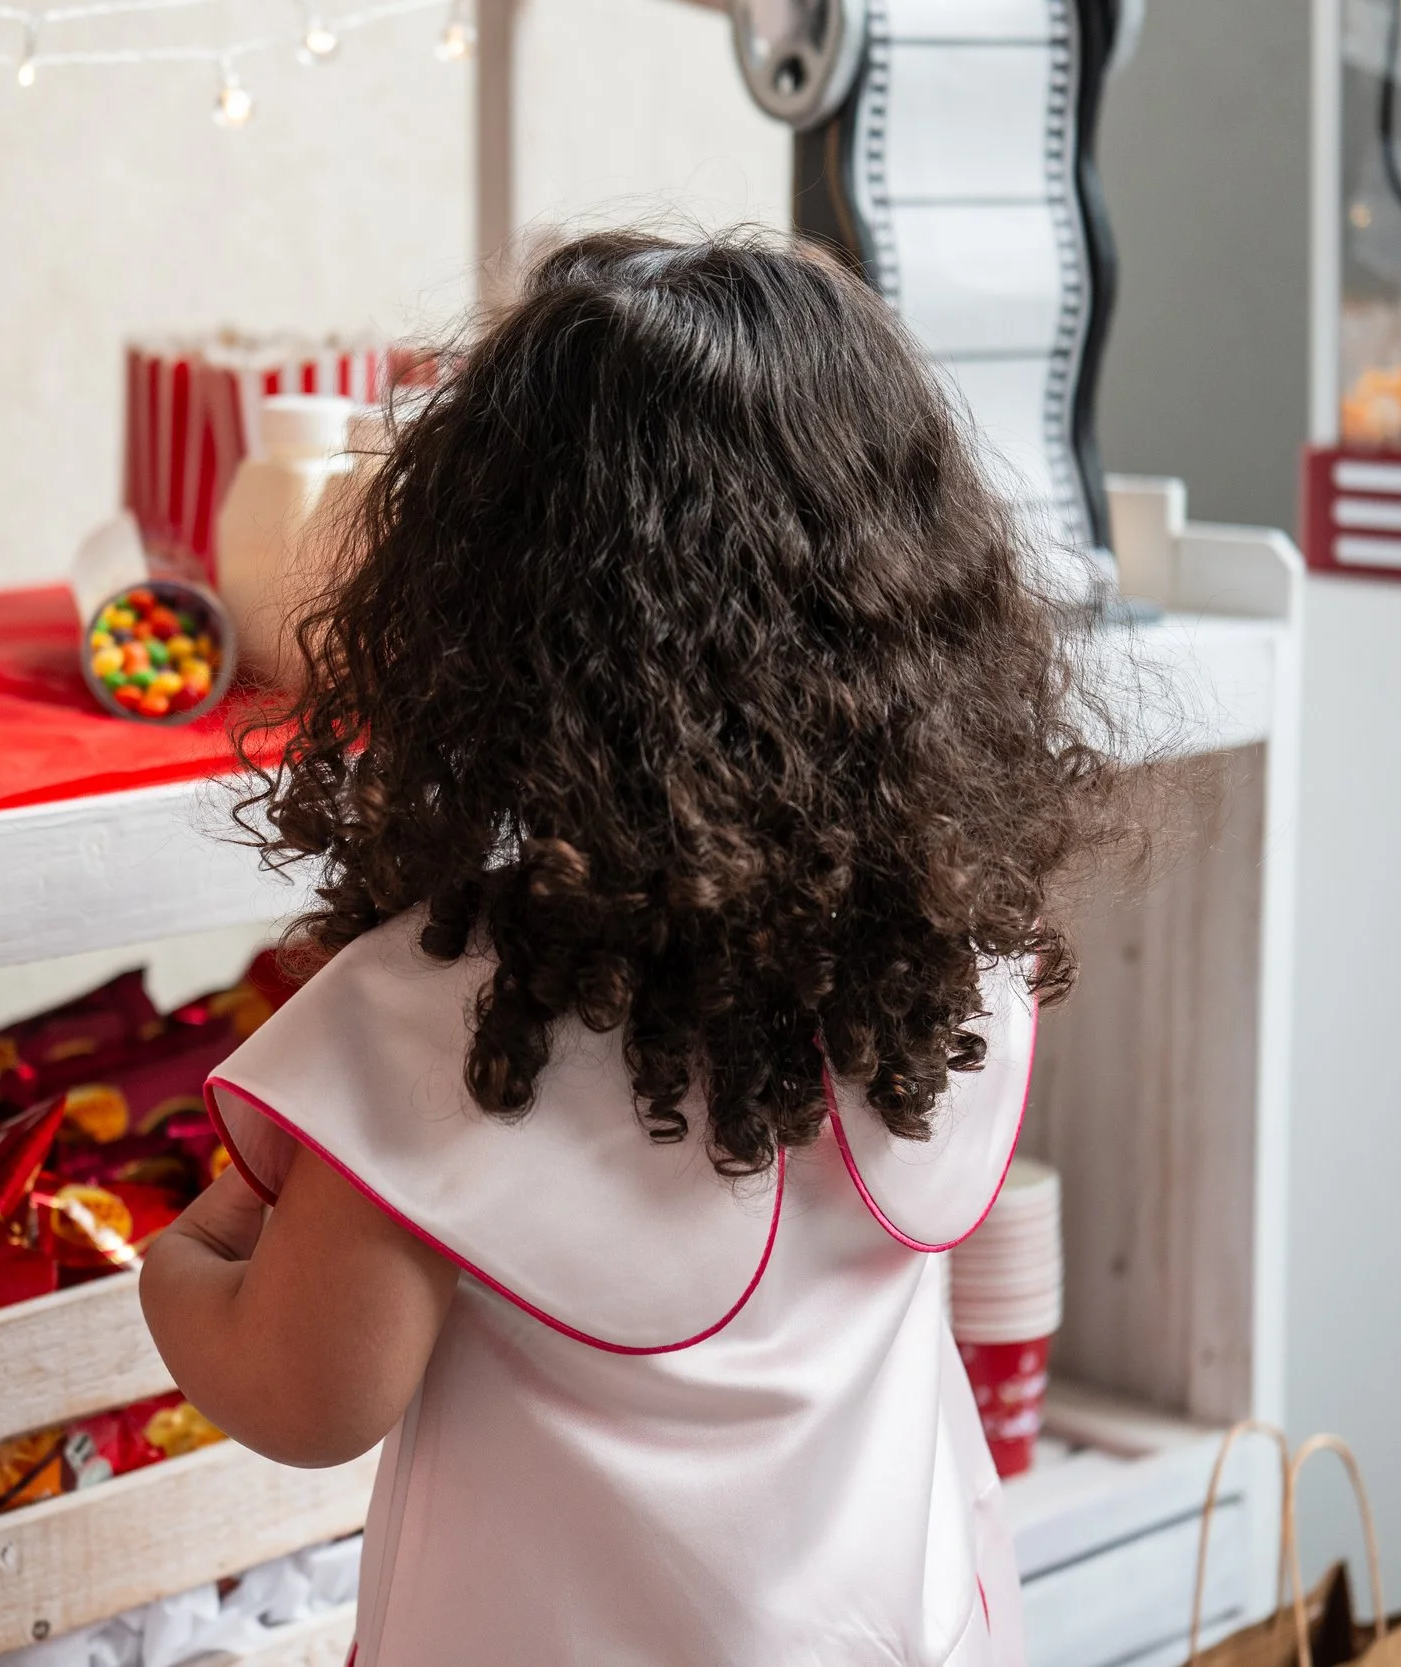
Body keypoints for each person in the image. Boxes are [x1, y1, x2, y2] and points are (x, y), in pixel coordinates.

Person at [138, 229, 1126, 1666]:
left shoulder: (450, 1027)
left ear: (488, 618)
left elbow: (308, 1396)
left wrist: (183, 1264)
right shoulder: (948, 957)